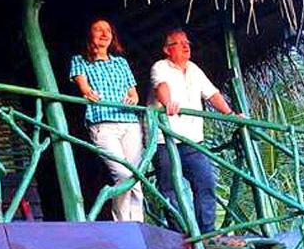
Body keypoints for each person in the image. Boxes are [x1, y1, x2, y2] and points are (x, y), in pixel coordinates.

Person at [150, 29, 238, 234]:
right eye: (179, 43)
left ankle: (206, 234)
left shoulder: (194, 69)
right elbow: (161, 86)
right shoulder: (160, 66)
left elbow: (212, 94)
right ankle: (182, 235)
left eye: (187, 42)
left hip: (193, 141)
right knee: (170, 189)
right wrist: (168, 103)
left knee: (205, 183)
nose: (185, 46)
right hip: (165, 139)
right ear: (167, 50)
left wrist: (231, 113)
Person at [69, 19, 144, 222]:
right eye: (98, 30)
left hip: (129, 122)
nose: (104, 34)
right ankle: (123, 223)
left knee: (136, 176)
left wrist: (133, 98)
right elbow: (83, 88)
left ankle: (138, 223)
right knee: (122, 174)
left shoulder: (120, 62)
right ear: (89, 36)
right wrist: (86, 92)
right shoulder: (80, 61)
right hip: (103, 123)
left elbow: (133, 93)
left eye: (108, 30)